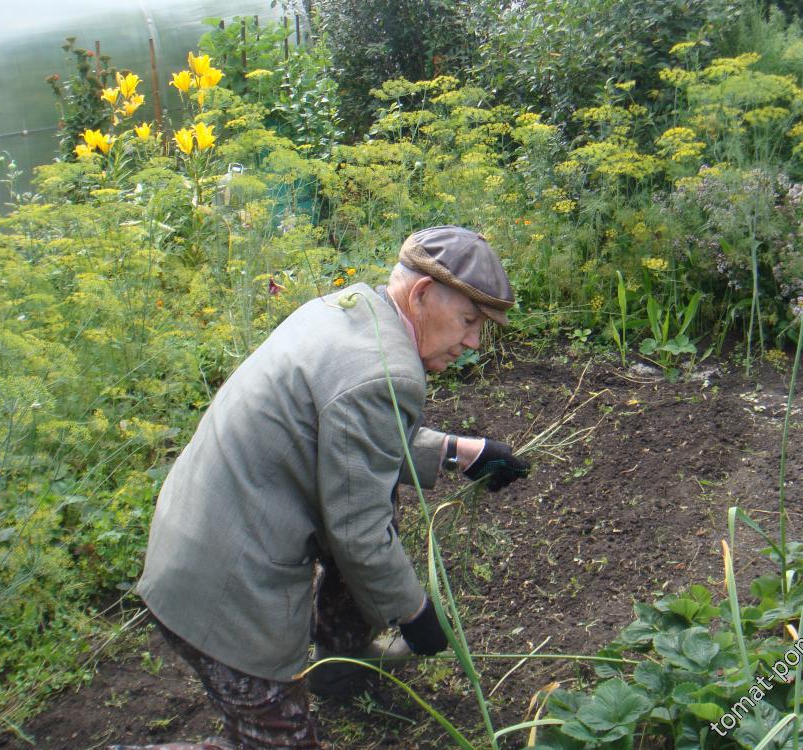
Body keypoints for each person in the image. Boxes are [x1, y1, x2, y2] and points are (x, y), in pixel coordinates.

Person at [112, 226, 531, 750]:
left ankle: (340, 659)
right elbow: (358, 532)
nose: (473, 341)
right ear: (422, 295)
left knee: (376, 498)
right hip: (223, 585)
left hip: (197, 528)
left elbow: (353, 439)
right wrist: (415, 612)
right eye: (469, 321)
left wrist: (461, 452)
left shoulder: (348, 310)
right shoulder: (388, 373)